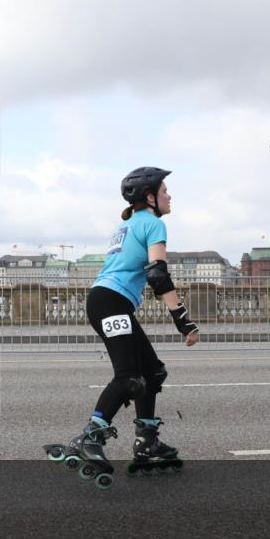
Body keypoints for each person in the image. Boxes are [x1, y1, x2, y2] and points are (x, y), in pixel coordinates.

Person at [45, 167, 199, 488]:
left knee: (152, 372)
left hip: (105, 301)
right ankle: (90, 437)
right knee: (128, 377)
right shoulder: (154, 223)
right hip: (111, 303)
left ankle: (147, 442)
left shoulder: (126, 224)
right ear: (150, 196)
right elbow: (158, 275)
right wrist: (182, 320)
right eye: (165, 190)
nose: (170, 196)